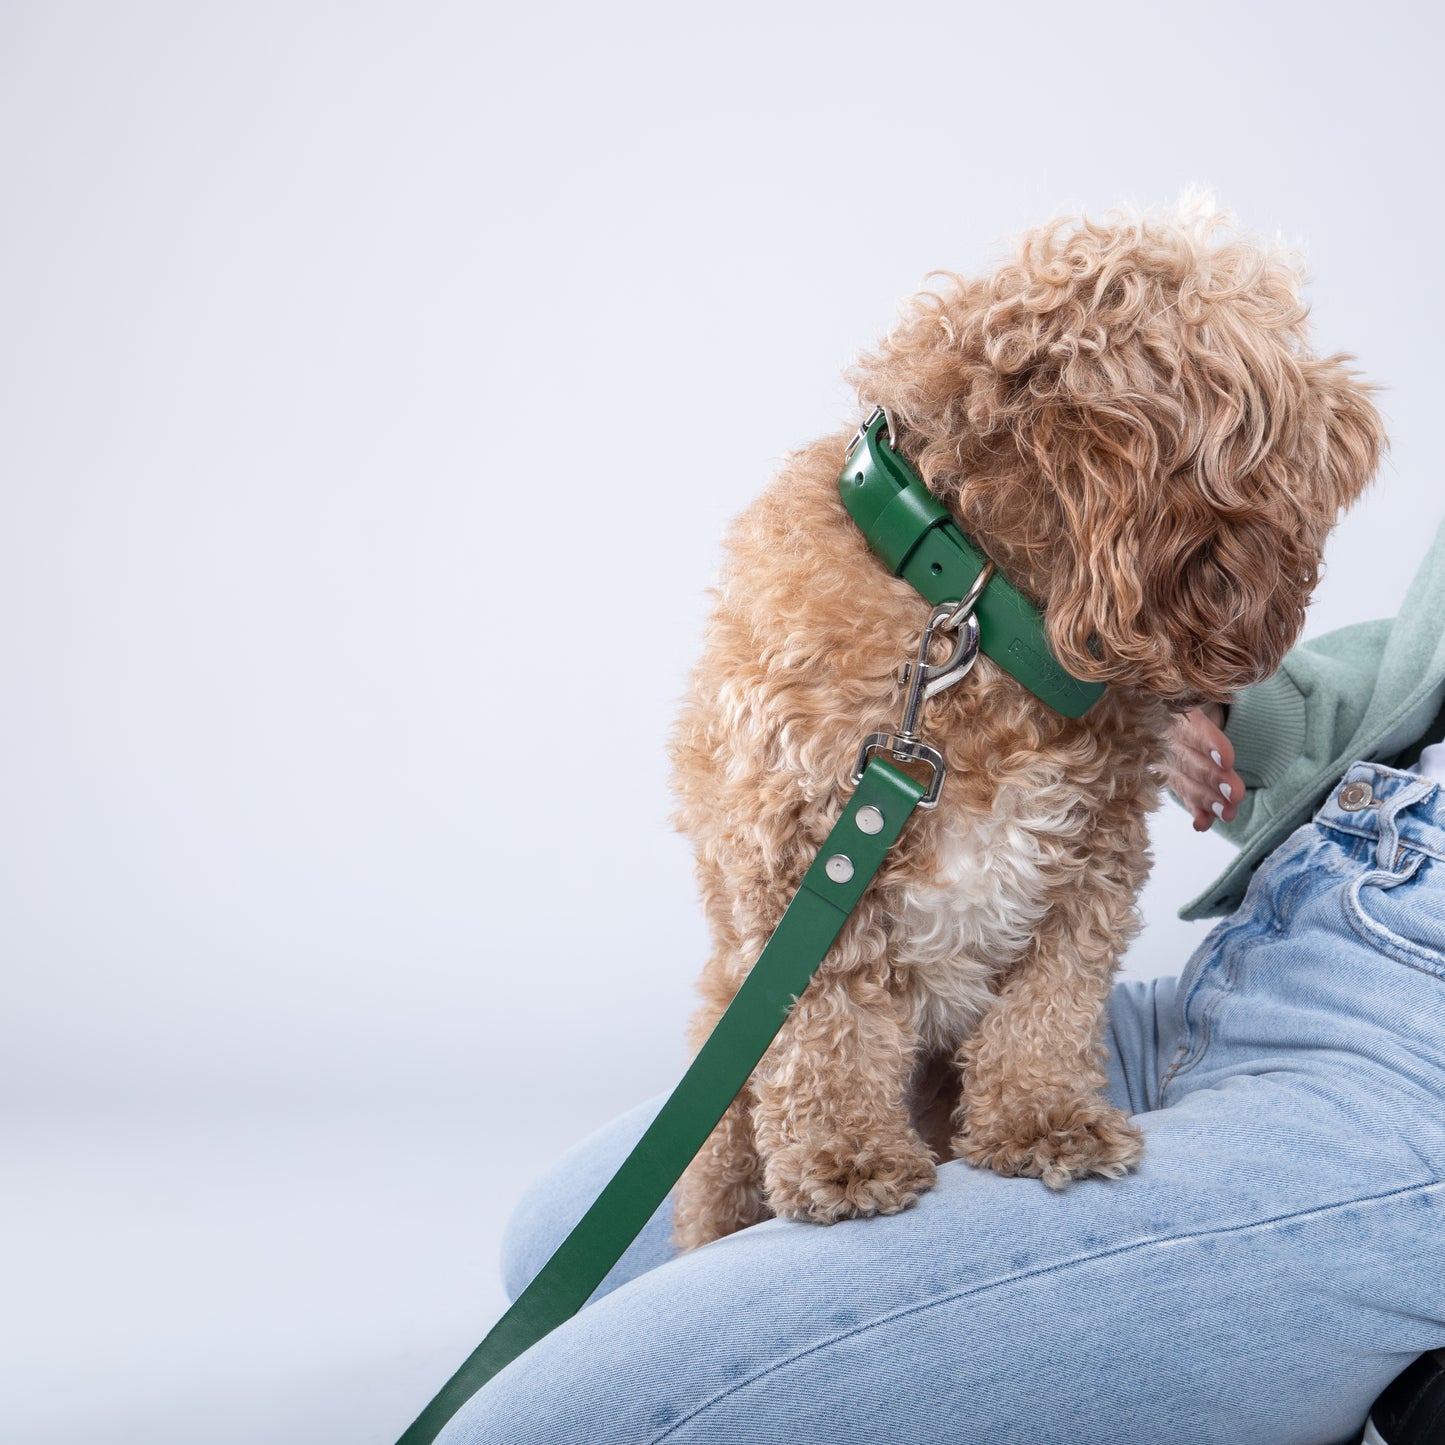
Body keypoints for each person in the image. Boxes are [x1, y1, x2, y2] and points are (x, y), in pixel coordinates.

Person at [436, 525, 1445, 1445]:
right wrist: (1226, 704)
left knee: (559, 1418)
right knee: (558, 1247)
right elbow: (1413, 669)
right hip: (1281, 943)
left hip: (1404, 1065)